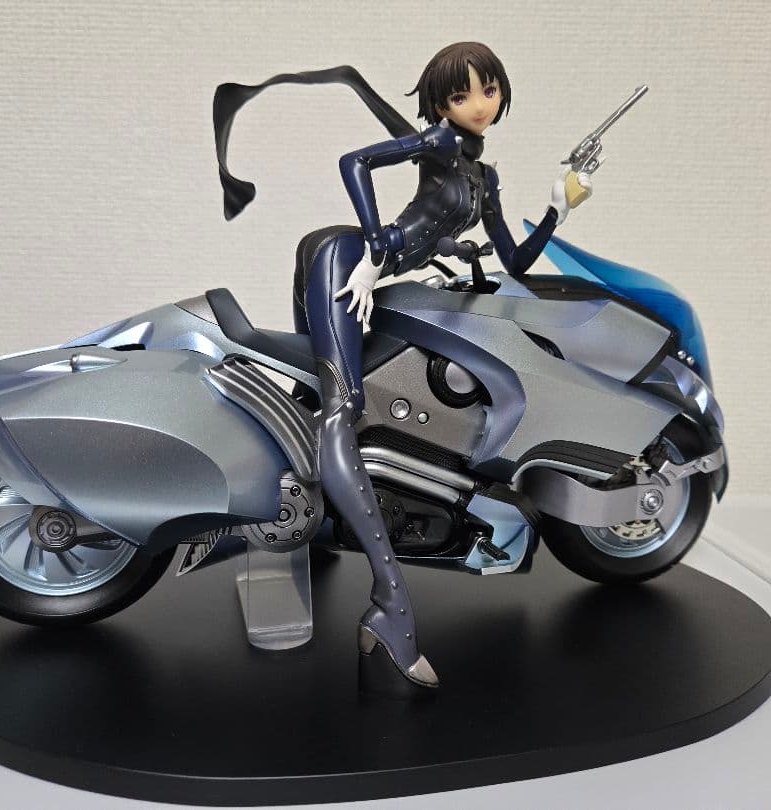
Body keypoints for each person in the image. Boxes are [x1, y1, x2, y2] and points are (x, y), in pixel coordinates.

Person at [215, 42, 592, 687]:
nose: (479, 104)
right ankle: (390, 604)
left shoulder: (483, 176)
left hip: (373, 268)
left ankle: (320, 525)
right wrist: (375, 247)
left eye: (489, 90)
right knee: (342, 407)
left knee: (329, 402)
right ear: (441, 103)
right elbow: (355, 161)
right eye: (461, 94)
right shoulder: (439, 142)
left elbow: (515, 259)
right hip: (343, 261)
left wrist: (557, 208)